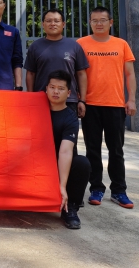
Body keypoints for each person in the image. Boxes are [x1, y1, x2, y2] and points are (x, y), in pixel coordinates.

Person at [77, 7, 137, 209]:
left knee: (116, 150)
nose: (99, 23)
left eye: (103, 20)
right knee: (92, 150)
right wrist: (80, 100)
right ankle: (96, 188)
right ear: (90, 22)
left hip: (115, 104)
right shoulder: (81, 44)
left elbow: (130, 74)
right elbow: (76, 73)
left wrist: (132, 99)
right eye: (95, 20)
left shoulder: (121, 44)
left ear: (111, 22)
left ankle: (119, 191)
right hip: (90, 105)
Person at [46, 70, 91, 229]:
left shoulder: (70, 118)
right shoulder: (36, 108)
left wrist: (62, 187)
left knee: (82, 163)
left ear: (69, 93)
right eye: (52, 87)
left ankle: (70, 207)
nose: (56, 92)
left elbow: (65, 152)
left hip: (59, 163)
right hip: (38, 162)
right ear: (46, 89)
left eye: (61, 88)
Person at [24, 8, 89, 116]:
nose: (52, 24)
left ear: (63, 24)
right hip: (41, 100)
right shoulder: (35, 46)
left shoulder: (74, 46)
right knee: (42, 127)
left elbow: (81, 74)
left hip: (68, 100)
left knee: (67, 127)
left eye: (56, 21)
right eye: (49, 21)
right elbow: (30, 74)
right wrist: (31, 97)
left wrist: (82, 100)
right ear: (43, 24)